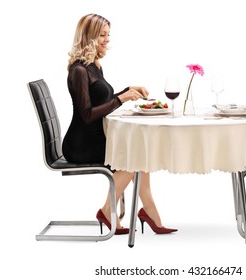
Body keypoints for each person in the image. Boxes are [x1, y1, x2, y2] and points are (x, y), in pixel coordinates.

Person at [62, 13, 177, 235]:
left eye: (108, 35)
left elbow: (102, 101)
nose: (107, 40)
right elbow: (86, 114)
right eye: (102, 35)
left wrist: (128, 91)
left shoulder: (93, 66)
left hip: (95, 138)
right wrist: (121, 99)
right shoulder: (78, 70)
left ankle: (149, 212)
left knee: (139, 152)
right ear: (89, 37)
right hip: (81, 145)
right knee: (135, 156)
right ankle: (108, 210)